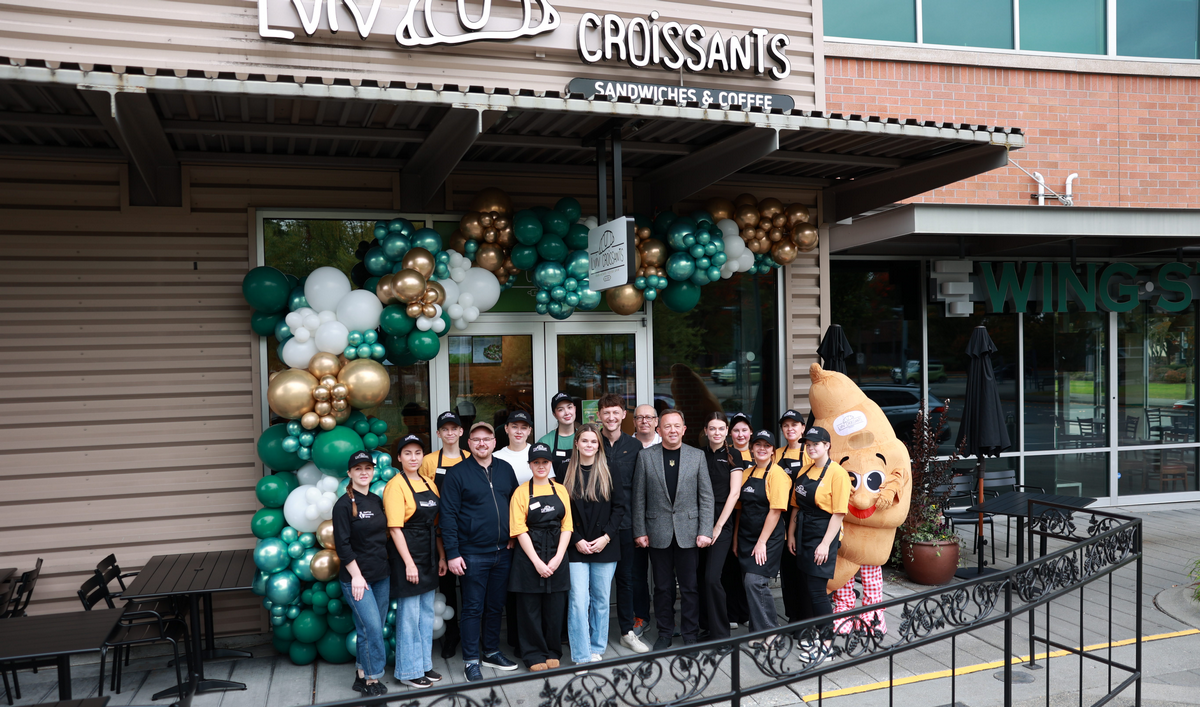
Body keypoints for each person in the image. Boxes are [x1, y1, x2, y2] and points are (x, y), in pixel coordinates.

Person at [440, 421, 521, 681]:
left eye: (487, 439)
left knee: (496, 606)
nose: (482, 443)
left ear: (494, 443)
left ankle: (491, 651)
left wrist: (513, 535)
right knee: (473, 608)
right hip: (472, 553)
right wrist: (452, 553)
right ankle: (471, 660)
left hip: (503, 551)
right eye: (476, 440)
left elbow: (514, 505)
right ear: (469, 443)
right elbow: (448, 516)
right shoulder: (457, 473)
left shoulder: (505, 469)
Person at [632, 409, 714, 650]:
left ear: (684, 429)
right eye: (667, 426)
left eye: (677, 426)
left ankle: (689, 633)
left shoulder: (696, 456)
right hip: (658, 532)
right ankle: (665, 633)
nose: (672, 430)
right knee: (662, 587)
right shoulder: (646, 457)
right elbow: (639, 499)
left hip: (690, 532)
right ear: (659, 430)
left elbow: (706, 498)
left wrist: (705, 530)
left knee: (690, 587)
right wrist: (639, 530)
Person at [383, 435, 446, 689]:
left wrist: (441, 555)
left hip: (429, 553)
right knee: (409, 615)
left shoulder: (430, 483)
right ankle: (408, 671)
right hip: (406, 556)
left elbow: (435, 525)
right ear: (399, 457)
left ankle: (423, 665)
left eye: (417, 452)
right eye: (407, 453)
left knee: (426, 613)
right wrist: (409, 563)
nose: (413, 458)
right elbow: (396, 529)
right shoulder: (395, 486)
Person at [564, 424, 626, 664]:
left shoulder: (611, 469)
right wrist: (576, 540)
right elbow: (562, 510)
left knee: (601, 600)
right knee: (579, 601)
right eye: (584, 441)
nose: (589, 445)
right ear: (577, 444)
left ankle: (596, 648)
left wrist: (606, 537)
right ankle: (580, 655)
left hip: (605, 544)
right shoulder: (564, 470)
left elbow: (620, 507)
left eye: (593, 441)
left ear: (599, 445)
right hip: (575, 545)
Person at [508, 442, 573, 671]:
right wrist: (537, 562)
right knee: (529, 609)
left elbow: (567, 526)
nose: (541, 466)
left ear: (551, 464)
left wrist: (557, 558)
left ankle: (553, 650)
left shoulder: (561, 490)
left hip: (557, 555)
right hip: (529, 557)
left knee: (555, 608)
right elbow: (518, 529)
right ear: (530, 465)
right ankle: (533, 653)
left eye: (545, 462)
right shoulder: (521, 492)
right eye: (536, 462)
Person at [787, 426, 849, 655]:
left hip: (824, 534)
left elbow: (839, 513)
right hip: (803, 532)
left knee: (816, 590)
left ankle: (826, 645)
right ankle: (813, 636)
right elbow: (796, 505)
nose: (811, 448)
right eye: (808, 444)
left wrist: (824, 544)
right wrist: (791, 534)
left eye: (816, 444)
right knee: (806, 588)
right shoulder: (805, 470)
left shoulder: (838, 474)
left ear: (827, 445)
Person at [333, 451, 390, 696]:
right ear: (350, 473)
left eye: (368, 467)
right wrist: (357, 576)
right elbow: (342, 545)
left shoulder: (377, 500)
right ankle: (371, 680)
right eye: (358, 468)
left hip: (381, 575)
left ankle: (360, 675)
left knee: (366, 629)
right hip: (358, 579)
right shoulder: (343, 505)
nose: (364, 472)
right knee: (373, 629)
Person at [596, 395, 650, 653]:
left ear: (624, 415)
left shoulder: (635, 446)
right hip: (598, 525)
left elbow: (641, 490)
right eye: (606, 413)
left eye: (616, 412)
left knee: (626, 579)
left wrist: (640, 527)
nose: (611, 417)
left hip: (627, 524)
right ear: (599, 415)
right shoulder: (591, 442)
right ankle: (595, 633)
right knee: (597, 582)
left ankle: (627, 631)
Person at [419, 411, 469, 659]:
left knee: (469, 588)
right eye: (445, 429)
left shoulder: (470, 458)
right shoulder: (428, 461)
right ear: (438, 434)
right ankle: (451, 636)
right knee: (446, 586)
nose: (450, 433)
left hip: (467, 532)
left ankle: (471, 634)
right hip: (438, 533)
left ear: (461, 432)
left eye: (454, 429)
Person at [734, 431, 791, 635]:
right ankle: (757, 630)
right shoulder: (746, 474)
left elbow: (775, 511)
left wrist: (761, 543)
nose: (761, 449)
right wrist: (735, 540)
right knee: (749, 584)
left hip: (769, 538)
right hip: (746, 536)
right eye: (758, 444)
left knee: (755, 582)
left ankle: (770, 631)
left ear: (772, 451)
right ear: (751, 448)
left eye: (766, 446)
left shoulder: (778, 475)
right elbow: (741, 510)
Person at [697, 413, 743, 640]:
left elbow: (734, 494)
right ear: (705, 430)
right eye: (712, 428)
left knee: (712, 578)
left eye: (721, 428)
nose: (716, 433)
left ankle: (721, 632)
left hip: (721, 521)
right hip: (698, 521)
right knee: (699, 576)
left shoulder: (734, 455)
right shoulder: (698, 455)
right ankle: (706, 627)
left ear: (726, 431)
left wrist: (717, 527)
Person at [773, 409, 809, 625]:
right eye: (786, 425)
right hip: (782, 516)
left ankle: (807, 617)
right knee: (787, 570)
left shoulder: (810, 453)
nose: (790, 429)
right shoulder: (776, 454)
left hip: (806, 518)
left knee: (805, 570)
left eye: (794, 425)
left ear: (802, 428)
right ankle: (793, 616)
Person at [723, 412, 753, 628]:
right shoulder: (727, 456)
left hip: (752, 517)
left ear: (750, 432)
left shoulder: (760, 455)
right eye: (736, 430)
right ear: (729, 433)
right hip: (730, 514)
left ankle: (749, 611)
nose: (740, 434)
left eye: (744, 430)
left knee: (750, 569)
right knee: (730, 567)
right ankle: (733, 612)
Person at [538, 392, 577, 477]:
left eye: (569, 407)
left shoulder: (584, 438)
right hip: (554, 489)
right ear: (554, 414)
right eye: (560, 409)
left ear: (575, 409)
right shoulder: (545, 442)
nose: (567, 413)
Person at [494, 410, 536, 483]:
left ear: (529, 431)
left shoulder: (538, 454)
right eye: (514, 427)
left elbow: (549, 484)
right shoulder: (495, 458)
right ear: (506, 429)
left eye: (523, 428)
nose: (519, 432)